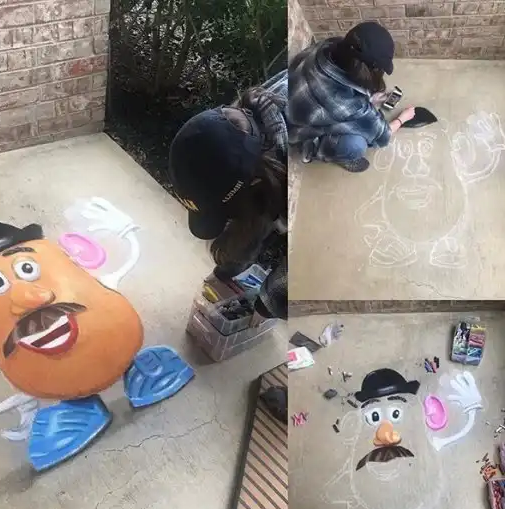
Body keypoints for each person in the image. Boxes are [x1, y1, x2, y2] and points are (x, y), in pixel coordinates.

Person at [168, 69, 288, 320]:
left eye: (227, 213)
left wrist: (268, 305)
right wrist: (227, 271)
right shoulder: (238, 128)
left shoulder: (311, 181)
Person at [288, 21, 416, 173]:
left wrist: (372, 98)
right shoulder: (346, 103)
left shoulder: (330, 45)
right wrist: (402, 118)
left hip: (299, 102)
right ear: (364, 71)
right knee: (356, 144)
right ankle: (335, 155)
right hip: (300, 133)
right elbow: (381, 135)